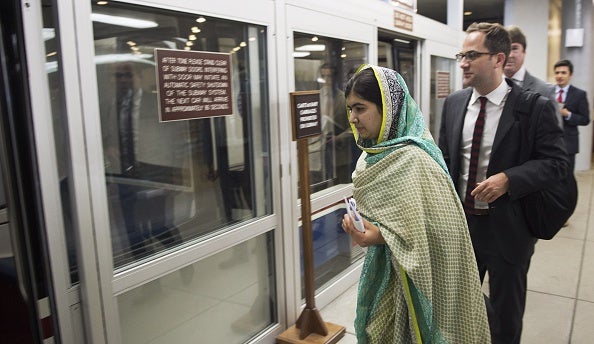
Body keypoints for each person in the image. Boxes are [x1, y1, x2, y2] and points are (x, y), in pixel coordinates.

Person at [341, 64, 490, 343]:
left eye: (360, 108)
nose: (353, 118)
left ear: (388, 108)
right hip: (386, 274)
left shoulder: (416, 160)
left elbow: (444, 234)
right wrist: (363, 227)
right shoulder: (370, 156)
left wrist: (382, 235)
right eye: (349, 109)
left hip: (419, 282)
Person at [438, 23, 568, 343]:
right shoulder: (454, 105)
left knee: (506, 315)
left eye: (471, 55)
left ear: (498, 59)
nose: (463, 63)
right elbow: (445, 161)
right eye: (461, 55)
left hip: (509, 229)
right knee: (460, 308)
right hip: (464, 227)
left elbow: (556, 164)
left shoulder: (532, 106)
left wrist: (510, 179)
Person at [504, 25, 560, 126]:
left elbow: (554, 136)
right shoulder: (490, 88)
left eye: (514, 48)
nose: (510, 55)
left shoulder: (544, 91)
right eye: (506, 49)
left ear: (524, 52)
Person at [554, 59, 591, 173]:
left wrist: (568, 114)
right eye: (557, 73)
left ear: (570, 74)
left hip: (568, 143)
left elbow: (585, 119)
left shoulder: (579, 94)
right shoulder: (548, 91)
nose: (560, 76)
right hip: (549, 141)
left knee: (567, 177)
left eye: (563, 73)